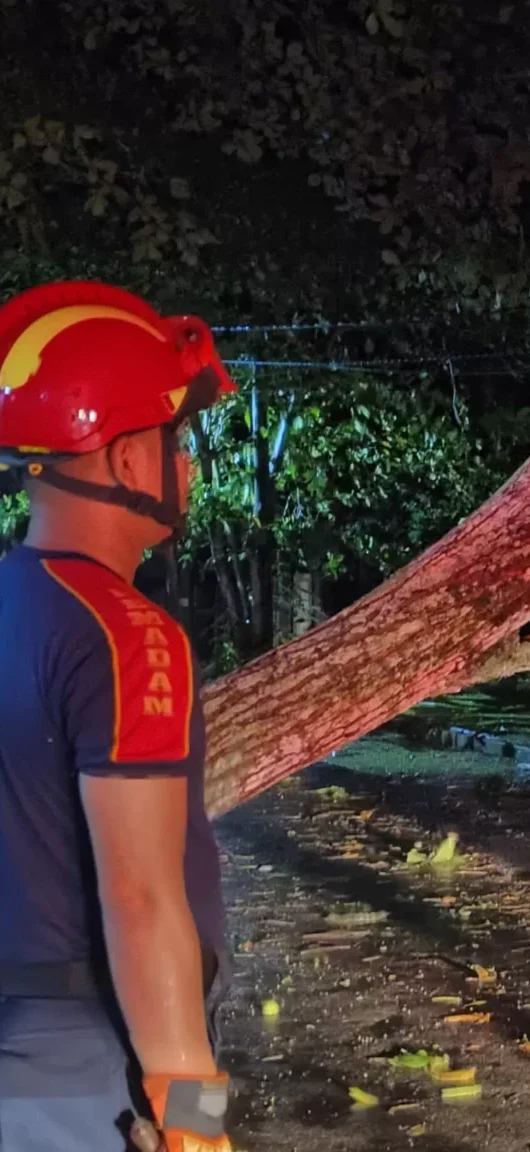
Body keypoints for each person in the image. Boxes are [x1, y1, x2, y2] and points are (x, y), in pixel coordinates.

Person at [0, 282, 237, 1151]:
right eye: (178, 442)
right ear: (131, 460)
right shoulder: (127, 634)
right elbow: (141, 902)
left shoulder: (9, 603)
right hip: (87, 1057)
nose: (191, 469)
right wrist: (195, 1119)